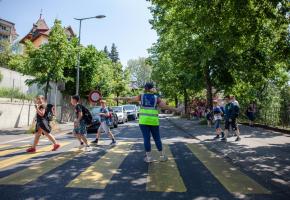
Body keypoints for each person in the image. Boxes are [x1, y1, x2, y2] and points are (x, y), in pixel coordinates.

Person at [116, 82, 178, 163]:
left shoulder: (141, 96)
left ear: (145, 89)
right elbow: (164, 106)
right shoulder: (156, 98)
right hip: (153, 121)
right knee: (157, 138)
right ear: (152, 88)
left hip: (143, 121)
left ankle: (149, 158)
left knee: (146, 139)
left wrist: (118, 98)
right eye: (154, 87)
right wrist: (176, 109)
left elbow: (129, 99)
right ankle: (162, 156)